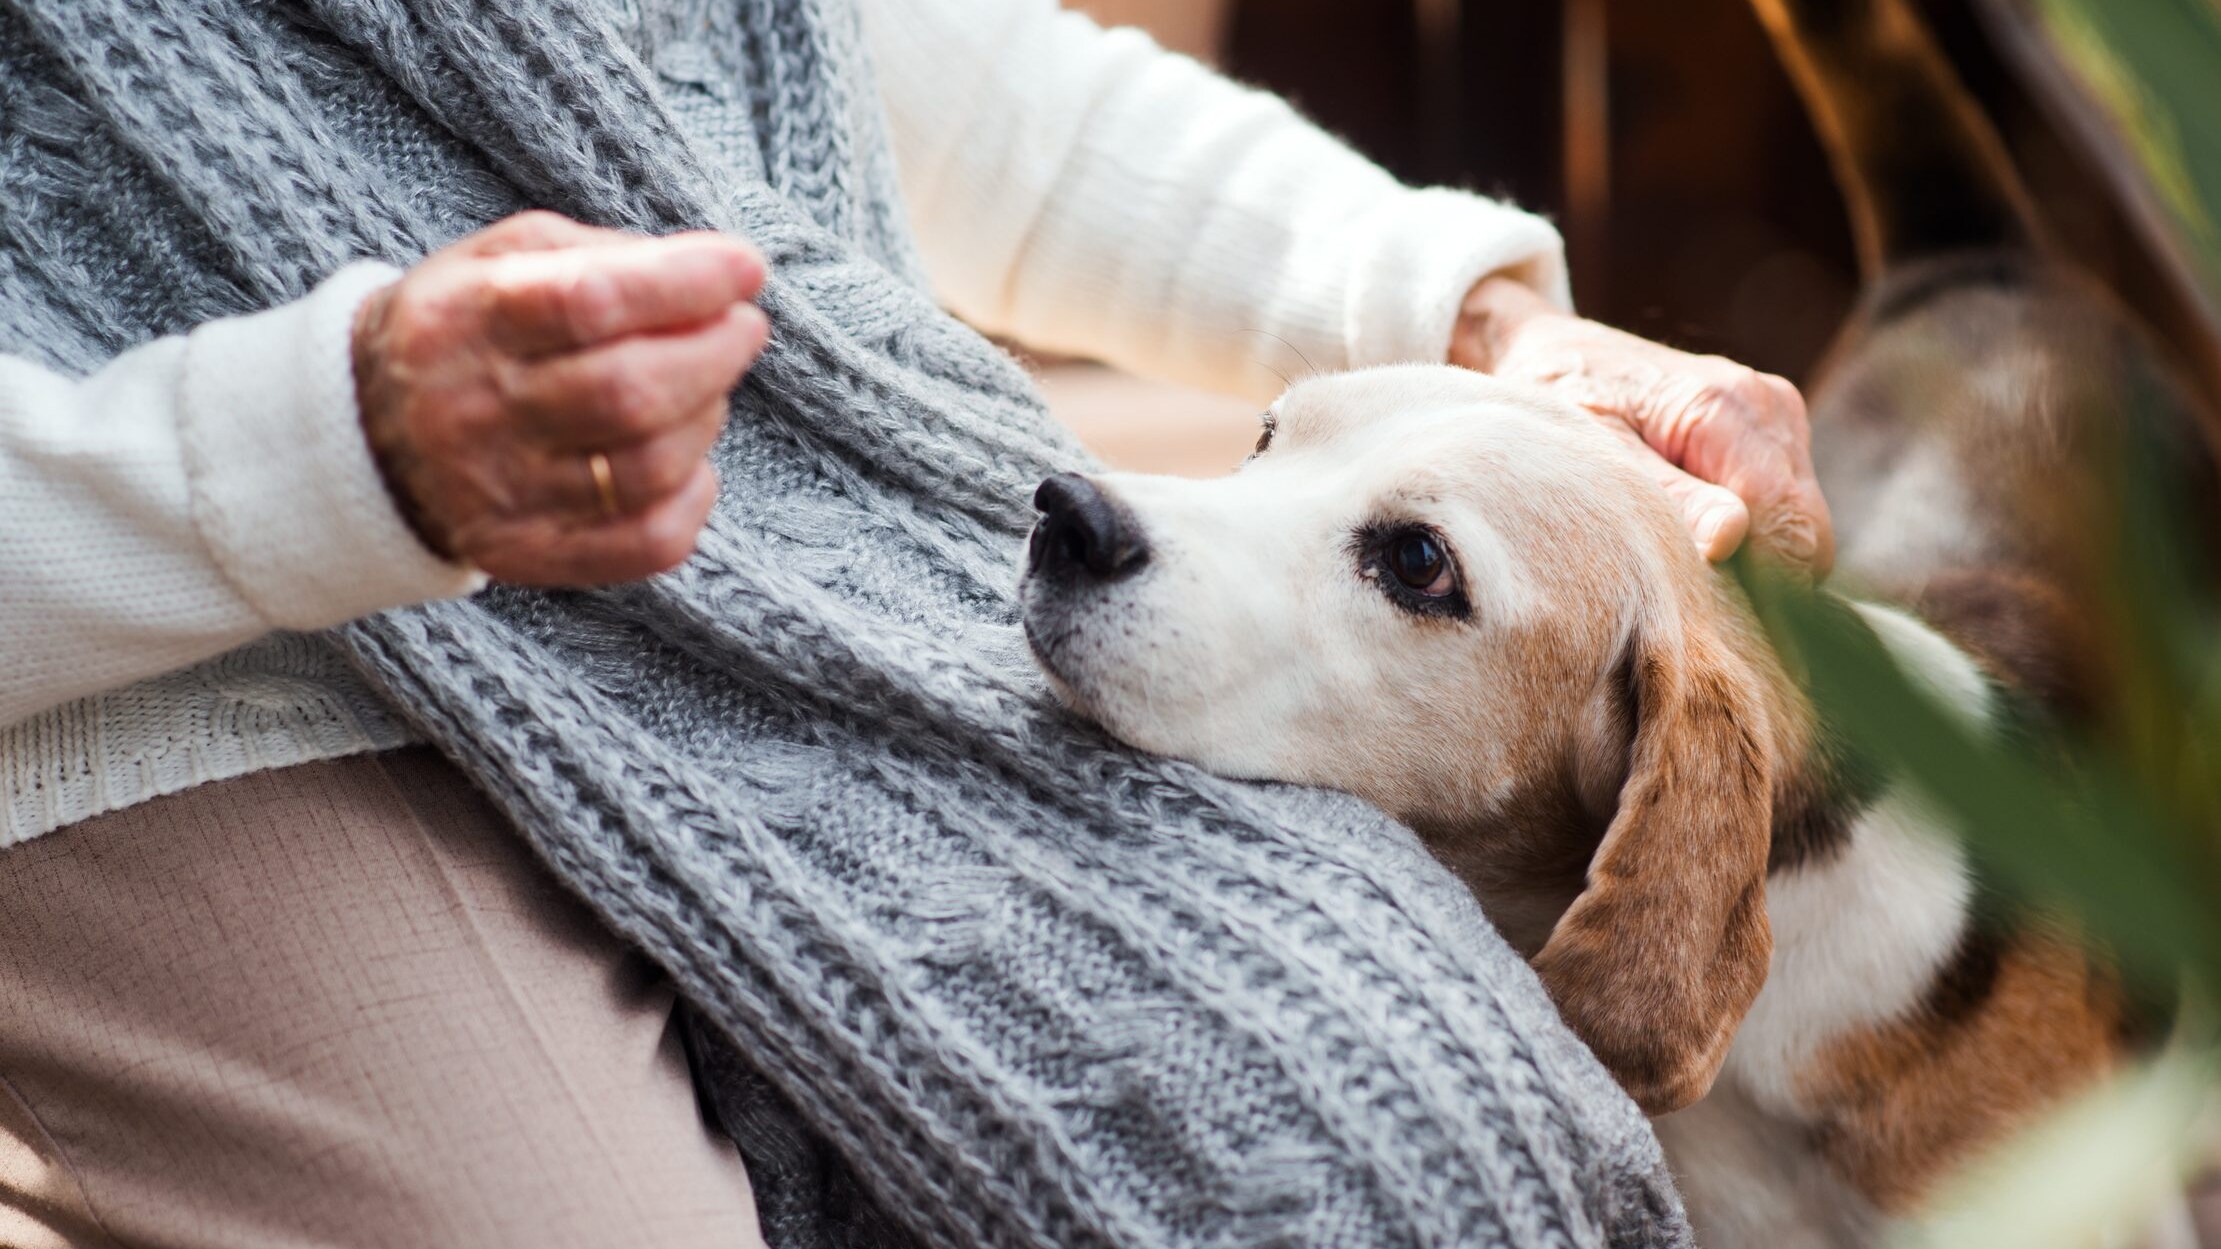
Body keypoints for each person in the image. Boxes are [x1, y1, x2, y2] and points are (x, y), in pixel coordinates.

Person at [0, 0, 1830, 1246]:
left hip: (814, 558)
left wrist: (1475, 322)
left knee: (1419, 1144)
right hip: (187, 674)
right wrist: (324, 452)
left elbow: (897, 66)